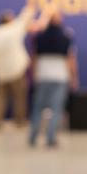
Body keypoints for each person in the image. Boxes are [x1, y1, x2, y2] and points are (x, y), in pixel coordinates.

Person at [30, 8, 78, 148]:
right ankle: (50, 137)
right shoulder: (66, 37)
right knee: (56, 109)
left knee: (38, 107)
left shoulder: (39, 37)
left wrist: (34, 74)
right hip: (60, 76)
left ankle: (33, 136)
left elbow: (34, 57)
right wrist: (74, 77)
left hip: (43, 75)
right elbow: (70, 59)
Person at [0, 8, 37, 130]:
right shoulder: (13, 29)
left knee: (0, 98)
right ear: (9, 21)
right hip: (17, 70)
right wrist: (31, 7)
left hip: (1, 72)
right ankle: (20, 121)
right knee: (20, 97)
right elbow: (24, 18)